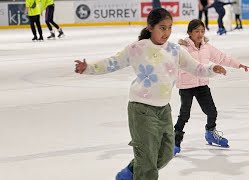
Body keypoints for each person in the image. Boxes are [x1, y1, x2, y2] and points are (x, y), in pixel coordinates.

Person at [74, 8, 227, 180]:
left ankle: (131, 172)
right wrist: (88, 68)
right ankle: (140, 172)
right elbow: (113, 62)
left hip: (163, 110)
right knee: (147, 163)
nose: (167, 32)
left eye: (169, 28)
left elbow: (196, 68)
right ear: (150, 27)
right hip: (141, 110)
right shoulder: (138, 49)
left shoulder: (175, 50)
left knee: (167, 153)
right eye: (162, 28)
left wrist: (212, 68)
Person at [173, 19, 249, 155]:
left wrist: (238, 64)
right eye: (196, 31)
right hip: (186, 86)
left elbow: (222, 57)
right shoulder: (182, 49)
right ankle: (175, 140)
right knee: (184, 115)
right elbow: (172, 64)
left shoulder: (206, 47)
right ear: (189, 32)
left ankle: (210, 133)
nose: (200, 34)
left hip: (202, 84)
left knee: (212, 112)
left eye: (202, 31)